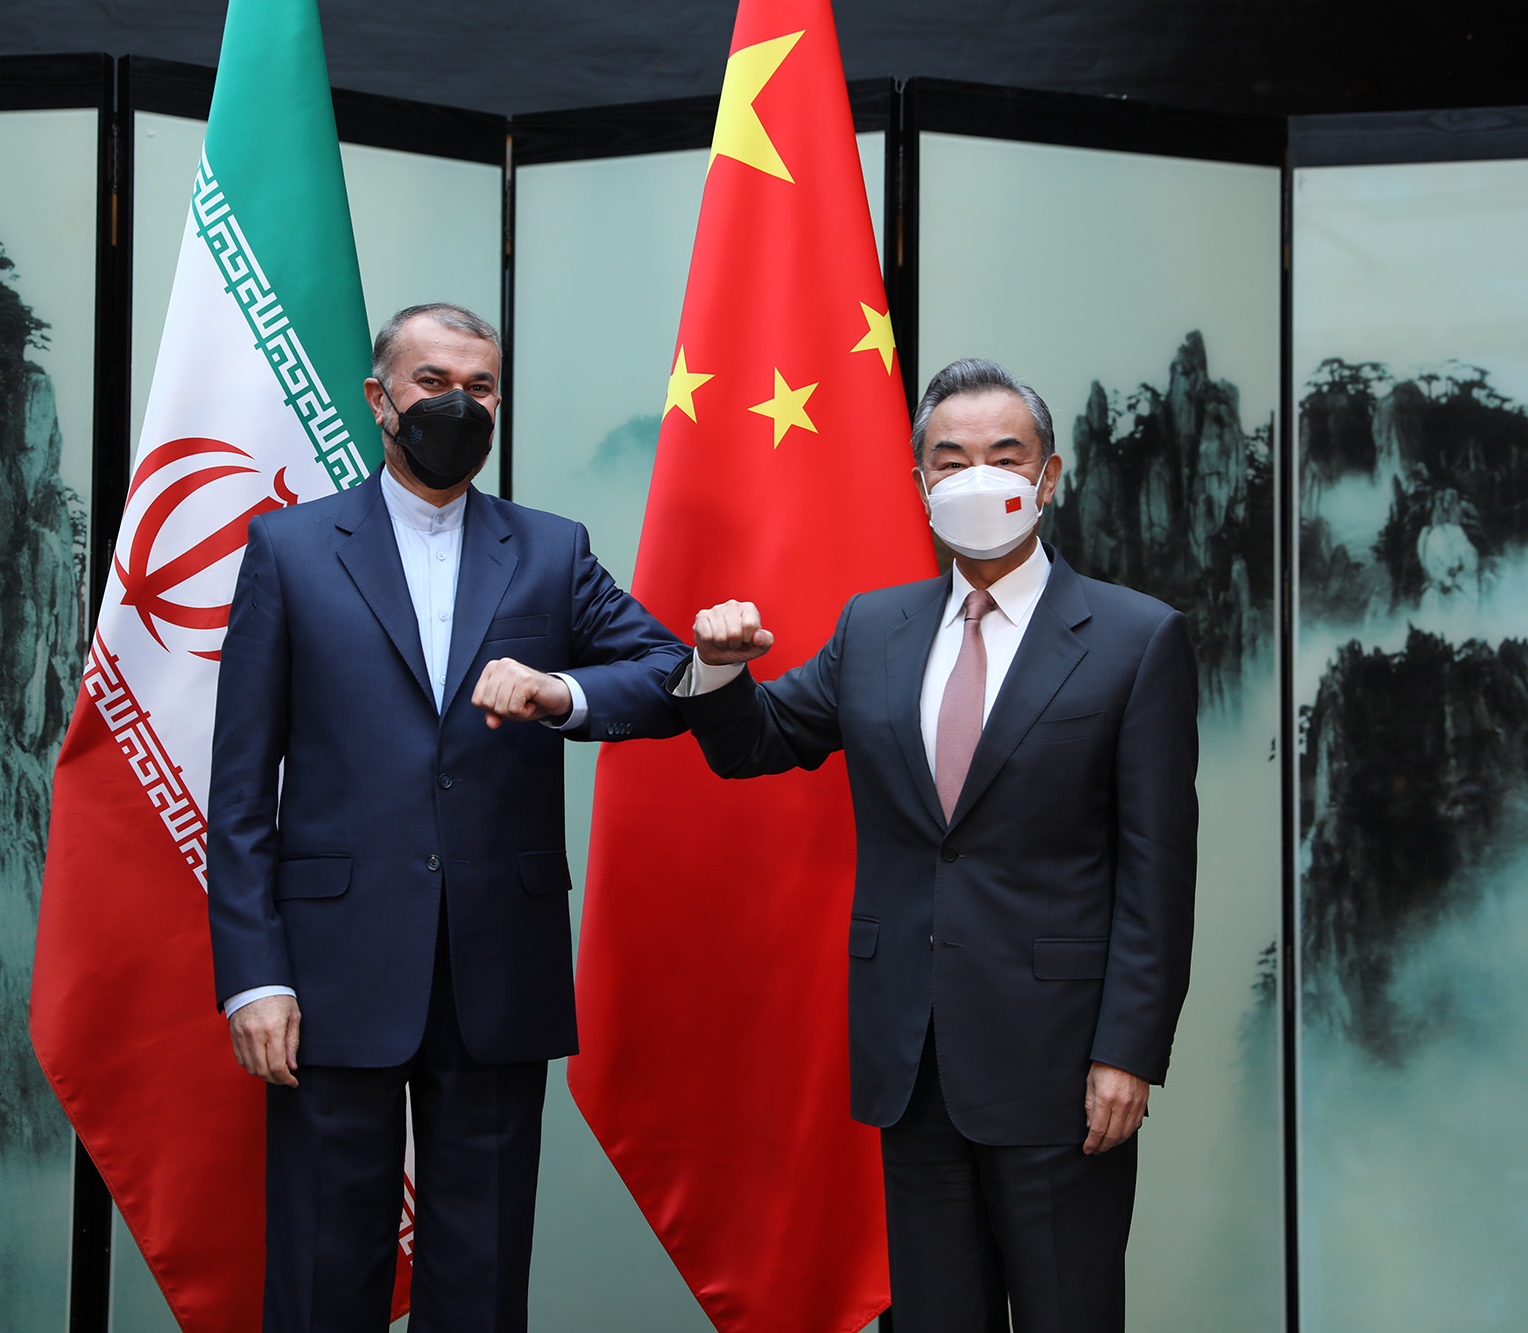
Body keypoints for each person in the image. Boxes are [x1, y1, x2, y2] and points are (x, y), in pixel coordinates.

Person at [673, 358, 1198, 1332]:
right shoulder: (874, 627)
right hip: (910, 1061)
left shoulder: (1135, 638)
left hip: (1061, 1068)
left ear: (1048, 476)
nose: (976, 477)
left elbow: (1157, 873)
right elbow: (756, 743)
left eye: (1005, 455)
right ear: (919, 484)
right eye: (949, 460)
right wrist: (715, 667)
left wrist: (1128, 1053)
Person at [207, 303, 689, 1333]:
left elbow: (668, 672)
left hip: (498, 970)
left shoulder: (551, 550)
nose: (458, 405)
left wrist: (562, 692)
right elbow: (239, 790)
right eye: (433, 383)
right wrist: (254, 974)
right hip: (329, 974)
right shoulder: (289, 549)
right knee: (322, 1273)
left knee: (481, 1280)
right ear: (379, 399)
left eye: (480, 387)